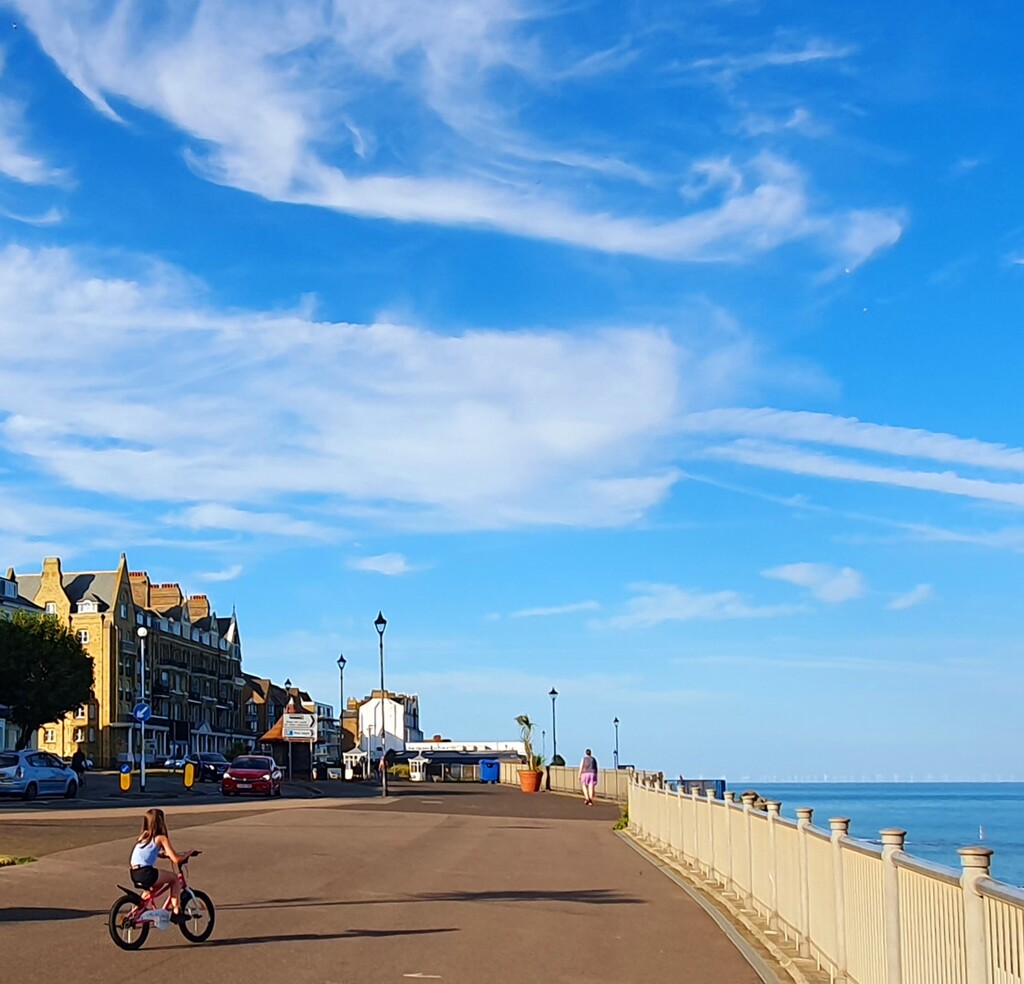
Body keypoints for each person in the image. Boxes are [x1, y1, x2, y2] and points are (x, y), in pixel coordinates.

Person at [129, 808, 194, 921]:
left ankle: (134, 913)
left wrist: (165, 855)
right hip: (146, 872)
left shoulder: (144, 836)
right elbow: (176, 860)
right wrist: (189, 853)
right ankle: (176, 912)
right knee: (174, 878)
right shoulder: (161, 838)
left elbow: (149, 853)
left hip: (135, 873)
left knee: (154, 888)